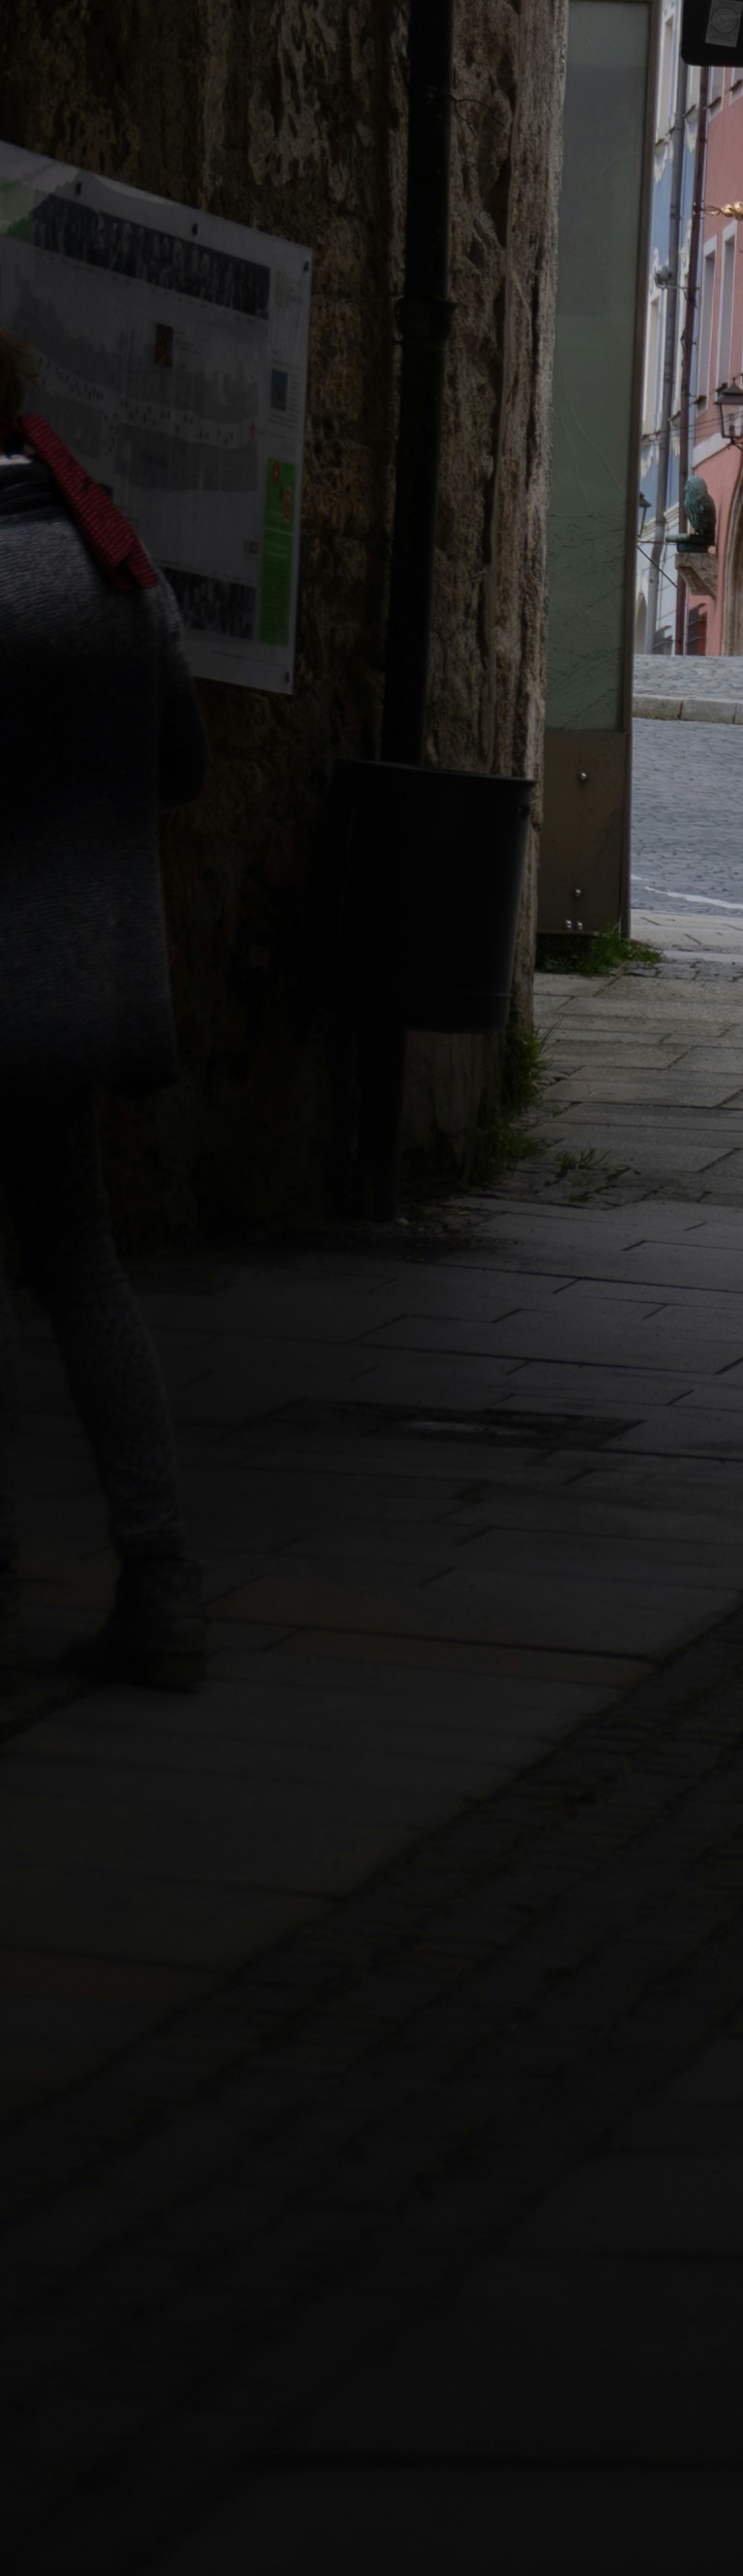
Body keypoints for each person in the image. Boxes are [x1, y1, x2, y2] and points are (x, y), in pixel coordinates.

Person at [0, 327, 212, 1689]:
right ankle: (161, 1578)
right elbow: (181, 769)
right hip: (72, 982)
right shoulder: (117, 559)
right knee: (79, 1259)